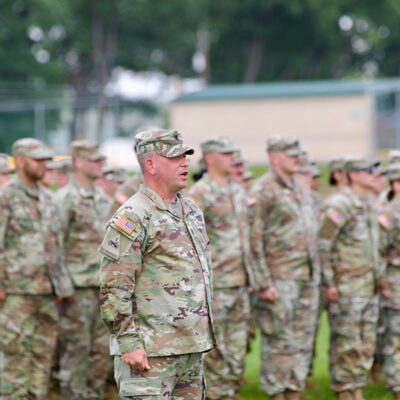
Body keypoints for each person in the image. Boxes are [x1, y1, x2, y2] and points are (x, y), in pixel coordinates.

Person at [99, 128, 216, 400]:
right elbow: (114, 287)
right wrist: (128, 343)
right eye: (175, 158)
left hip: (190, 347)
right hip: (150, 353)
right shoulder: (133, 215)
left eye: (185, 156)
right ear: (150, 164)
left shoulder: (191, 210)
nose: (185, 163)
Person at [0, 138, 74, 400]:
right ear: (20, 161)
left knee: (42, 361)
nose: (44, 165)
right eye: (37, 160)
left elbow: (57, 245)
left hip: (46, 293)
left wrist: (62, 286)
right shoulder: (5, 197)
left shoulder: (49, 199)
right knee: (14, 360)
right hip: (16, 293)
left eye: (46, 160)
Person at [250, 135, 320, 400]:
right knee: (279, 341)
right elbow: (254, 239)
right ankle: (276, 393)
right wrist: (263, 281)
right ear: (274, 157)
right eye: (291, 155)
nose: (298, 158)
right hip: (279, 279)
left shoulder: (301, 189)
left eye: (298, 154)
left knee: (301, 341)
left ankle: (294, 392)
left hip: (307, 277)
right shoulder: (262, 190)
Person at [319, 156, 389, 400]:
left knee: (365, 343)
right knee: (347, 344)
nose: (375, 174)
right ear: (353, 175)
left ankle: (356, 389)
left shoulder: (369, 203)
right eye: (369, 170)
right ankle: (346, 393)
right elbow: (323, 243)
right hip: (347, 288)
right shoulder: (340, 204)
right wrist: (330, 283)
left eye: (376, 170)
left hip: (367, 287)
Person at [188, 137, 253, 400]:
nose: (233, 159)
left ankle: (230, 391)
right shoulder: (199, 194)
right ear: (211, 158)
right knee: (215, 348)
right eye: (226, 154)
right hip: (216, 284)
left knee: (237, 347)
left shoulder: (237, 191)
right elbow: (190, 241)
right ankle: (215, 394)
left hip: (239, 280)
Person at [56, 140, 111, 400]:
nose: (100, 163)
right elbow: (54, 245)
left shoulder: (103, 199)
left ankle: (94, 394)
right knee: (77, 351)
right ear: (78, 162)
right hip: (76, 290)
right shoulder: (65, 199)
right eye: (94, 159)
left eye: (101, 159)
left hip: (103, 288)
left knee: (102, 352)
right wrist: (61, 287)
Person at [378, 163, 400, 400]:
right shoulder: (389, 214)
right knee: (396, 337)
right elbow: (379, 251)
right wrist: (383, 282)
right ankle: (397, 387)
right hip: (395, 282)